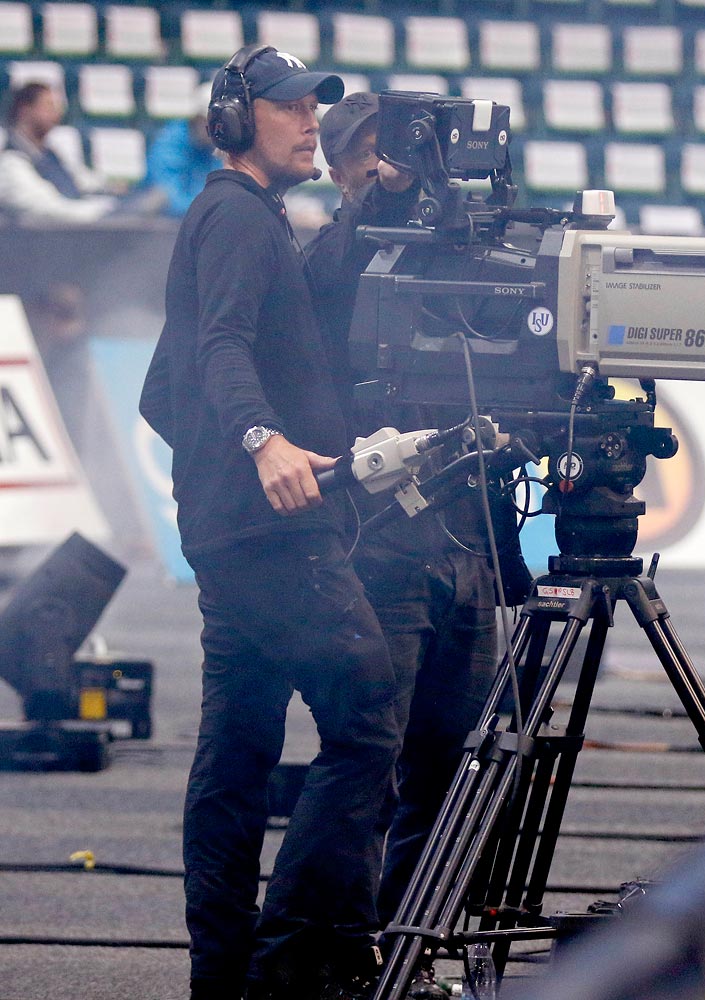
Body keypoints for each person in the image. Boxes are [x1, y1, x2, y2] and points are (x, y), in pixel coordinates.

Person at [138, 47, 399, 1000]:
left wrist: (213, 475)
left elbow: (159, 389)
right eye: (289, 108)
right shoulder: (239, 220)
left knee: (238, 748)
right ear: (237, 115)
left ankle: (224, 979)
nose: (308, 123)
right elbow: (216, 349)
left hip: (230, 530)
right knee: (368, 723)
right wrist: (260, 444)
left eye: (312, 109)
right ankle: (284, 964)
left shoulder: (237, 219)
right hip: (271, 532)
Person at [305, 91, 532, 999]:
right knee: (370, 756)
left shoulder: (458, 238)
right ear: (335, 168)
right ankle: (345, 953)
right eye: (365, 156)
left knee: (452, 762)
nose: (384, 168)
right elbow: (326, 292)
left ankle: (412, 947)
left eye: (395, 154)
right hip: (383, 535)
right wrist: (377, 209)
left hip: (470, 535)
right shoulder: (329, 247)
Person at [0, 81, 115, 223]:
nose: (57, 113)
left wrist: (113, 191)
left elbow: (79, 180)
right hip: (40, 240)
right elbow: (49, 210)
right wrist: (103, 212)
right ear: (25, 110)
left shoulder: (50, 154)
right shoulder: (9, 161)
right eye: (48, 106)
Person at [143, 83, 219, 217]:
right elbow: (169, 198)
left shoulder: (218, 146)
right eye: (211, 122)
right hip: (166, 228)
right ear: (197, 118)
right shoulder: (169, 145)